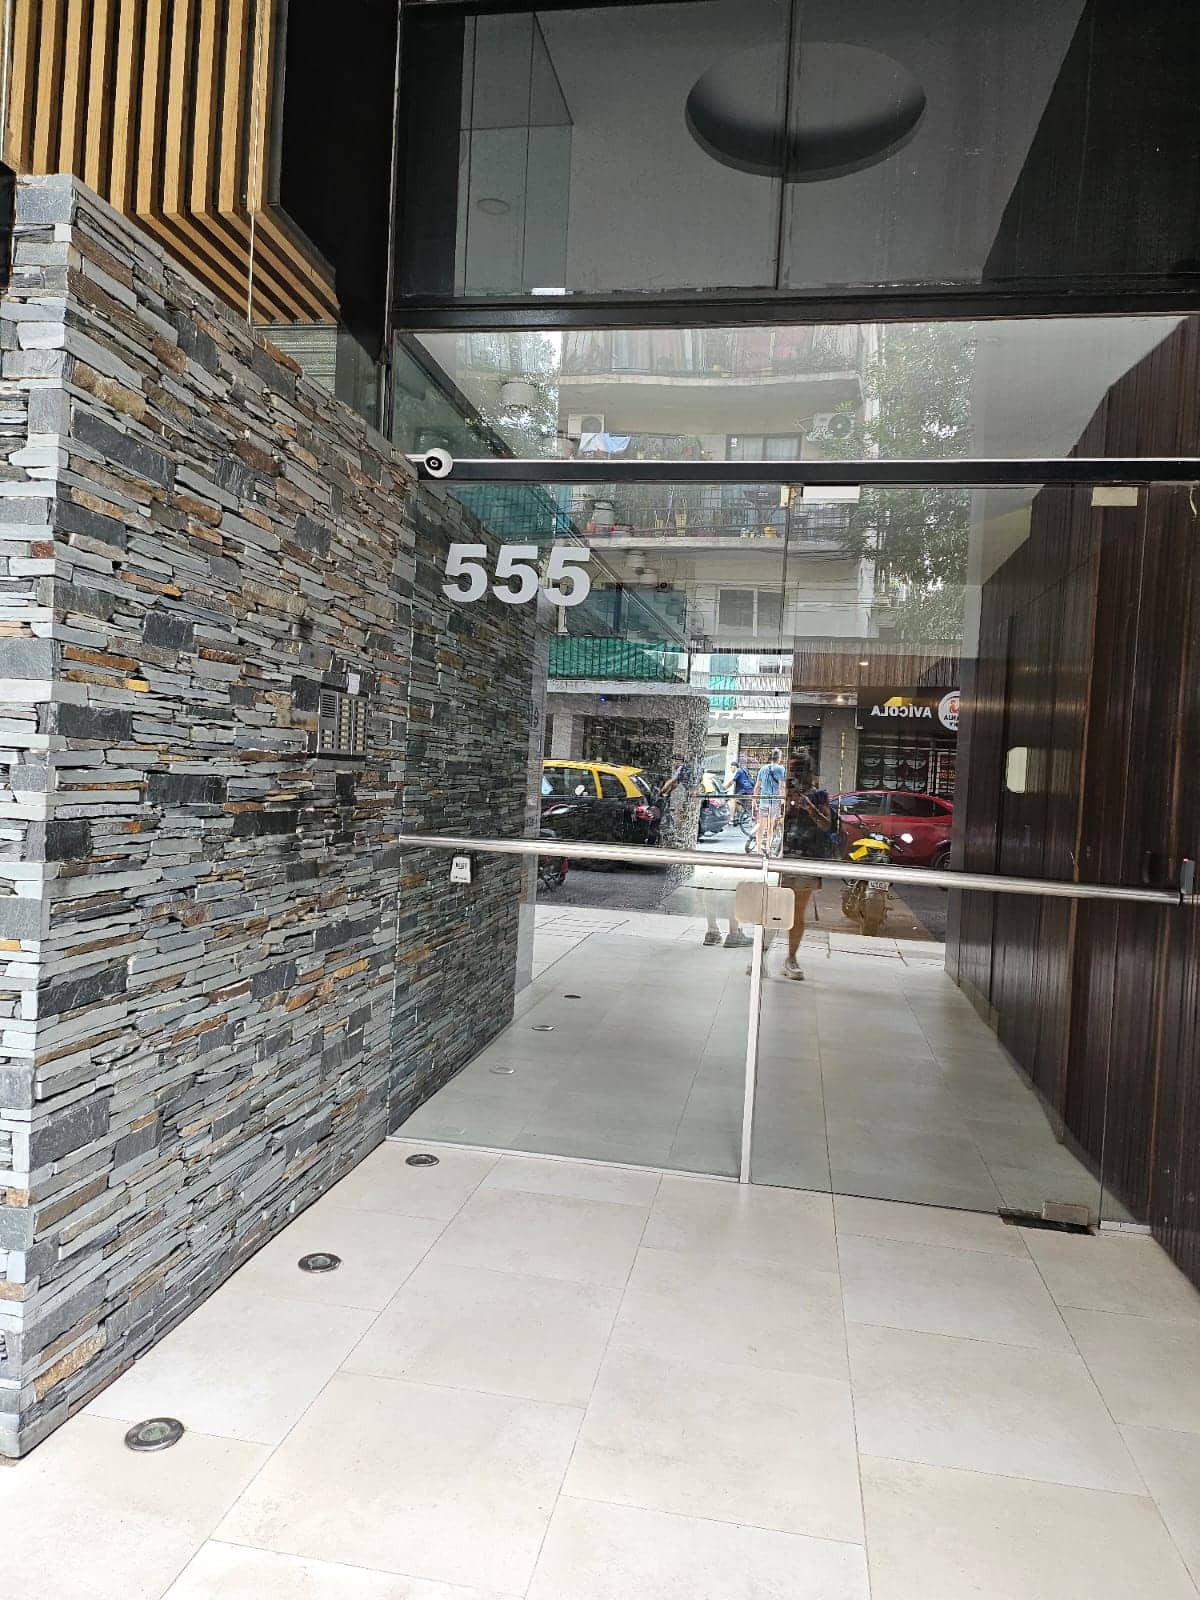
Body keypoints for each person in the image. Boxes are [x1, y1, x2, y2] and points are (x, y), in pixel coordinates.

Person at [751, 747, 786, 855]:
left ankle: (758, 850)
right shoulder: (781, 769)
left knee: (761, 826)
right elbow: (781, 786)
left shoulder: (763, 769)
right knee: (771, 826)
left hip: (763, 800)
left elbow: (757, 787)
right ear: (779, 757)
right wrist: (783, 800)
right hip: (774, 801)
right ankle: (767, 849)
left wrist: (754, 800)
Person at [728, 760, 754, 825]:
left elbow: (732, 782)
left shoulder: (739, 771)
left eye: (731, 767)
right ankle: (742, 815)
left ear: (734, 767)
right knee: (738, 802)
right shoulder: (742, 771)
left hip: (745, 790)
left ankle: (731, 819)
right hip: (747, 789)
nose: (730, 769)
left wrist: (723, 788)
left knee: (733, 800)